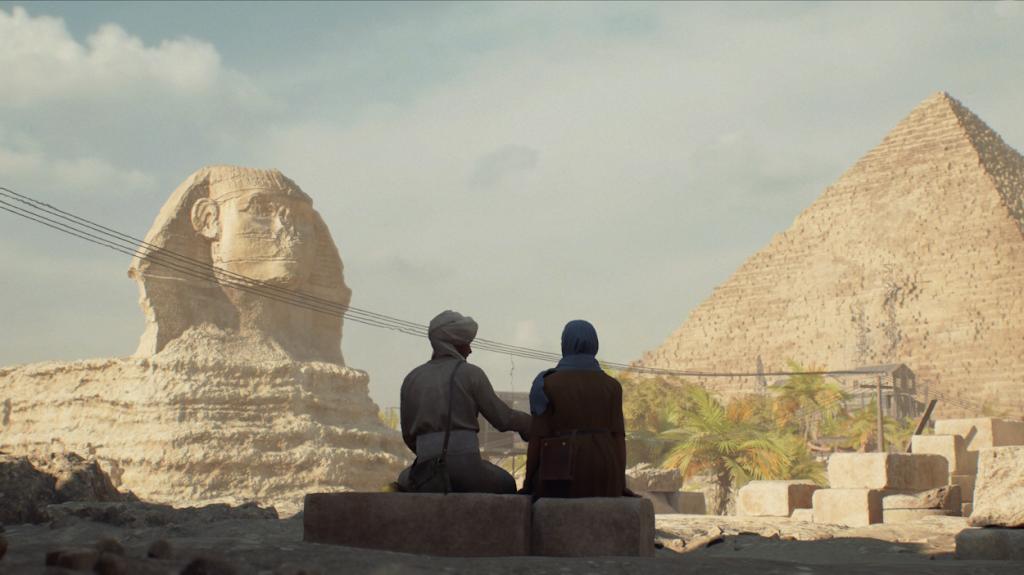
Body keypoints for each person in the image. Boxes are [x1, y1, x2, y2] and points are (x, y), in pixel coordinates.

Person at [397, 310, 531, 494]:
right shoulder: (470, 373)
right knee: (507, 483)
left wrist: (430, 454)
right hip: (466, 466)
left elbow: (408, 435)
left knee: (401, 483)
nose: (470, 350)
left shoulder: (411, 378)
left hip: (425, 468)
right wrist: (530, 424)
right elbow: (503, 419)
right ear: (453, 345)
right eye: (465, 344)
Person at [521, 320, 628, 498]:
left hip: (561, 469)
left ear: (565, 344)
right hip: (604, 470)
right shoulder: (612, 386)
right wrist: (621, 483)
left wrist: (528, 482)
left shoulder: (546, 384)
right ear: (595, 345)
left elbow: (537, 439)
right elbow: (618, 438)